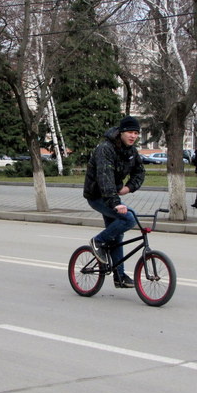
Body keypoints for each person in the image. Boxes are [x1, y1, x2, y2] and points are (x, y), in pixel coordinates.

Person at [83, 115, 145, 288]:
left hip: (112, 195)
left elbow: (140, 172)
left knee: (117, 234)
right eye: (130, 132)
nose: (133, 136)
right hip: (97, 196)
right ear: (121, 132)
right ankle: (98, 242)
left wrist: (128, 188)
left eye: (136, 133)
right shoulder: (105, 149)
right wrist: (115, 203)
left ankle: (119, 276)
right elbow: (105, 179)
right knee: (129, 218)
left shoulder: (131, 151)